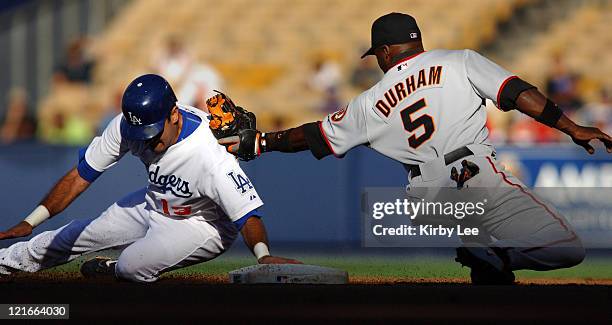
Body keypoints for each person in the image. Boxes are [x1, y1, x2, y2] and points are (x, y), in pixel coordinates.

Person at [217, 13, 612, 284]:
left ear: (386, 52)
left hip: (426, 200)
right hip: (476, 176)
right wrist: (570, 126)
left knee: (490, 273)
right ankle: (496, 256)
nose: (377, 62)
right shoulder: (460, 61)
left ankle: (488, 261)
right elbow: (516, 93)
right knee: (566, 248)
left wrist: (260, 142)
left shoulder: (371, 100)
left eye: (377, 55)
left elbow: (313, 135)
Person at [0, 74, 299, 283]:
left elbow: (248, 216)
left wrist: (263, 256)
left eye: (152, 133)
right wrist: (32, 219)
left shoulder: (210, 155)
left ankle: (114, 268)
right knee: (71, 235)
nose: (146, 141)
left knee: (132, 266)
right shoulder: (129, 126)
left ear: (174, 115)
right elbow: (81, 175)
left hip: (201, 224)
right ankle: (4, 263)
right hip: (153, 202)